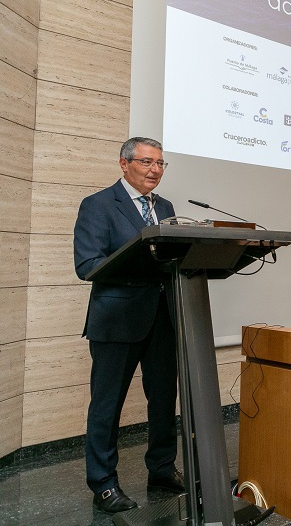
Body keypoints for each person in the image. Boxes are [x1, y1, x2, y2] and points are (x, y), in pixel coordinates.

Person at [73, 137, 184, 513]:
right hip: (117, 320)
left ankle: (162, 470)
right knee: (107, 404)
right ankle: (103, 483)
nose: (155, 170)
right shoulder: (98, 204)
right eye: (147, 162)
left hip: (163, 317)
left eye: (160, 163)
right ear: (124, 164)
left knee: (163, 399)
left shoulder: (165, 207)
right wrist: (142, 260)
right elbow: (87, 264)